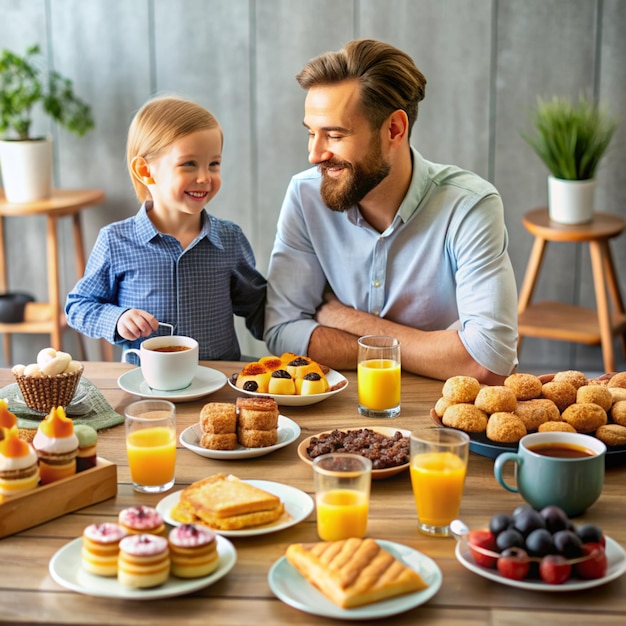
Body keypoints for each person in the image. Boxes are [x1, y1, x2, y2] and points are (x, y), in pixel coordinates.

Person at [264, 39, 518, 384]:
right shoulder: (305, 195)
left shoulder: (469, 206)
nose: (315, 154)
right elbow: (282, 333)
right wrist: (432, 350)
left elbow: (487, 362)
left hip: (442, 414)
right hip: (338, 404)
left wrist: (345, 320)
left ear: (394, 130)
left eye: (334, 135)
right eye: (311, 133)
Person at [66, 96, 266, 361]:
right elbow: (78, 307)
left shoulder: (230, 239)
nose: (205, 177)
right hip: (145, 387)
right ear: (145, 170)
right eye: (189, 164)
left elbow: (259, 307)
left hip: (217, 384)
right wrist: (117, 318)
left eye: (213, 164)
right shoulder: (115, 241)